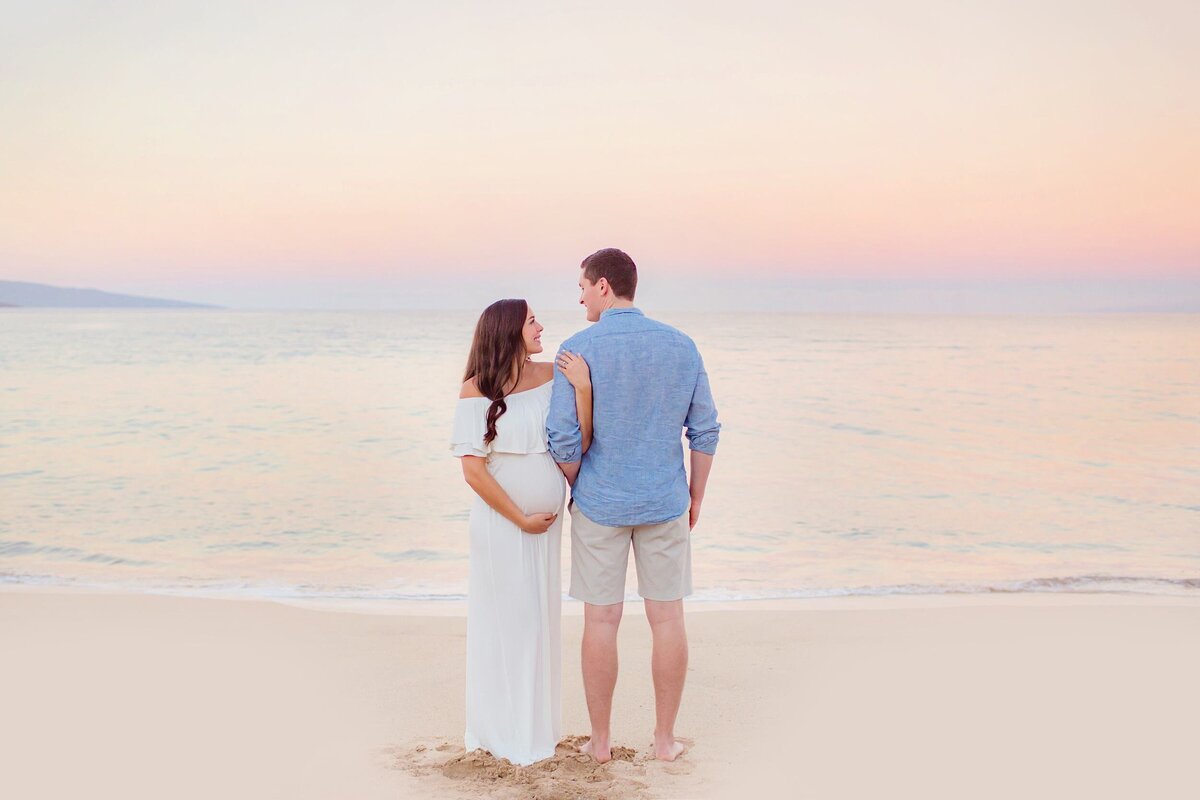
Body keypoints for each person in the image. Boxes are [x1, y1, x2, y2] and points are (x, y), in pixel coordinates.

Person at [547, 248, 721, 763]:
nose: (578, 294)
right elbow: (706, 429)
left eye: (582, 285)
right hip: (665, 499)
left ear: (604, 285)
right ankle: (664, 742)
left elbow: (561, 437)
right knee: (667, 619)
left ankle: (600, 745)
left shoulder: (577, 348)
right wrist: (696, 497)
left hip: (600, 502)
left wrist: (582, 481)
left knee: (601, 621)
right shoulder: (682, 346)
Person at [449, 298, 592, 766]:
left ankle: (537, 731)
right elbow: (473, 471)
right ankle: (501, 732)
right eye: (532, 320)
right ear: (509, 330)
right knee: (505, 622)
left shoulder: (555, 375)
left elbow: (579, 440)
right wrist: (520, 518)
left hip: (543, 530)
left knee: (537, 620)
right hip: (502, 526)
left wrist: (585, 390)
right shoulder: (476, 389)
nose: (541, 326)